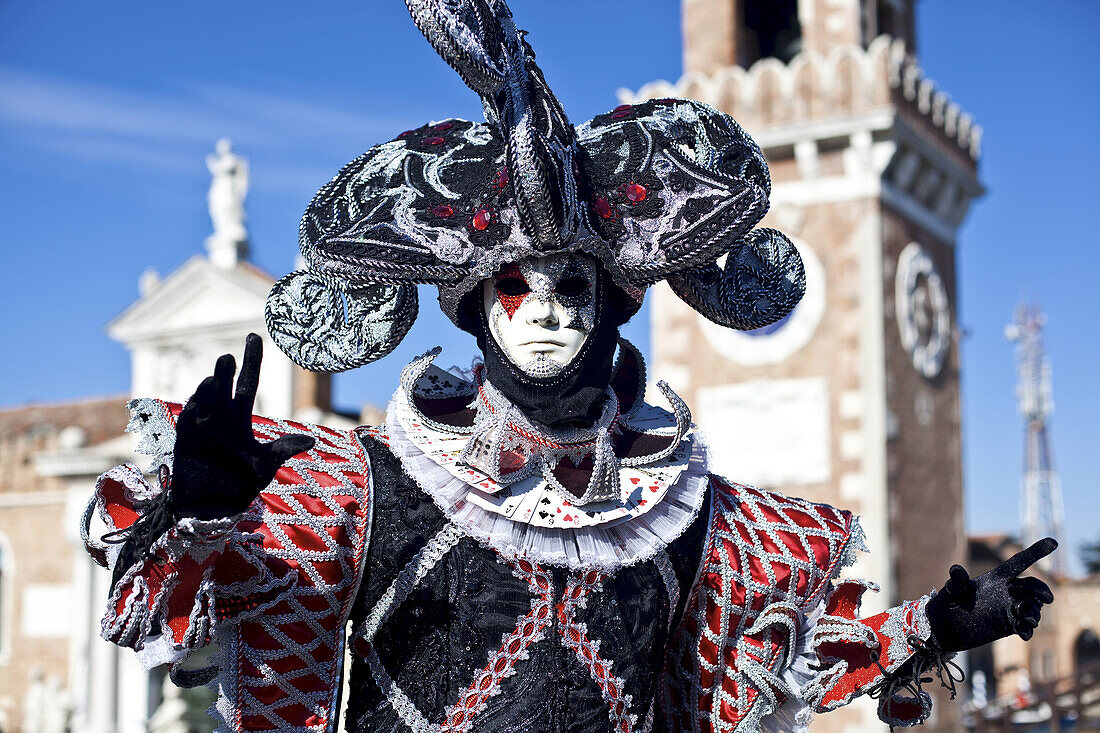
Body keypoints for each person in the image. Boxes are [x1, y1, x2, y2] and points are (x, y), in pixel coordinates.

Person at [83, 2, 1056, 731]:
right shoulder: (367, 486)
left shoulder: (680, 519)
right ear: (475, 307)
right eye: (515, 285)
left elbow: (793, 655)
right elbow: (185, 607)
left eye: (572, 288)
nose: (545, 305)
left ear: (611, 313)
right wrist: (201, 509)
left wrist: (939, 621)